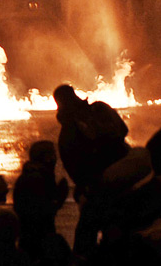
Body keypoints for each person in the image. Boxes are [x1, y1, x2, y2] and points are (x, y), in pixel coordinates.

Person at [53, 84, 130, 254]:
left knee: (87, 235)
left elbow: (73, 166)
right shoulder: (100, 109)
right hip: (123, 178)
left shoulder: (68, 132)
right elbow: (124, 130)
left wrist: (86, 189)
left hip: (99, 186)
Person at [12, 141, 69, 256]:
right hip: (38, 239)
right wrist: (60, 197)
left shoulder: (34, 176)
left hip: (29, 237)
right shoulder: (39, 178)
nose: (55, 158)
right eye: (52, 154)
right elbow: (43, 211)